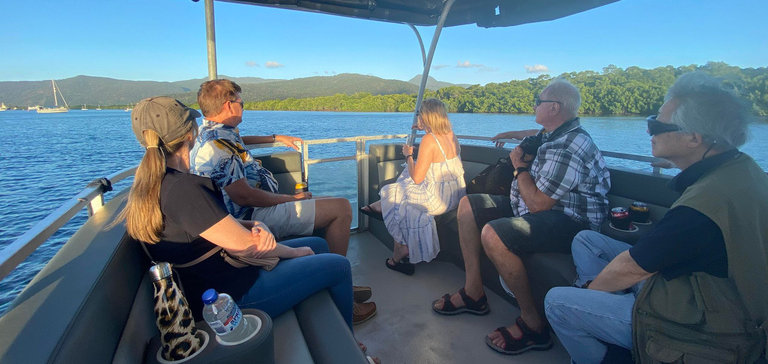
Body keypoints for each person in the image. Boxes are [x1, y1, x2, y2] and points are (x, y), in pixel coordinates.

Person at [545, 72, 768, 364]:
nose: (649, 132)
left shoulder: (703, 206)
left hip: (704, 324)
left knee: (557, 302)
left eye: (656, 124)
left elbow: (632, 268)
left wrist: (590, 294)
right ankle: (606, 322)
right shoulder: (742, 169)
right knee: (586, 240)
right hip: (697, 283)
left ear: (693, 138)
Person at [114, 97, 360, 330]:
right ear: (190, 133)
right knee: (338, 266)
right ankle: (348, 346)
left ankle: (330, 317)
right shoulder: (182, 189)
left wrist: (253, 223)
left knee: (317, 243)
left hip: (210, 283)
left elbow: (208, 227)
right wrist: (294, 252)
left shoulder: (155, 183)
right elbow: (248, 247)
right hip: (230, 300)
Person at [431, 78, 611, 356]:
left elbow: (539, 204)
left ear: (553, 108)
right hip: (532, 206)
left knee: (493, 233)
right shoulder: (555, 132)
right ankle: (474, 293)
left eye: (538, 101)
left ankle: (533, 326)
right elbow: (534, 134)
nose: (534, 105)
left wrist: (519, 168)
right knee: (468, 205)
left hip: (571, 222)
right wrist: (510, 133)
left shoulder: (570, 146)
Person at [190, 79, 376, 324]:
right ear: (229, 105)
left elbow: (240, 141)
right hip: (251, 217)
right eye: (241, 102)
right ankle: (339, 292)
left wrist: (275, 137)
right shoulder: (218, 147)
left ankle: (339, 282)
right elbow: (245, 196)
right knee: (341, 208)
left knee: (332, 201)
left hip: (255, 209)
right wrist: (291, 198)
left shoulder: (214, 133)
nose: (243, 107)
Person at [359, 98, 466, 275]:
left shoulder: (429, 140)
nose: (419, 117)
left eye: (421, 114)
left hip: (437, 201)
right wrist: (425, 128)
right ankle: (381, 212)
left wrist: (408, 155)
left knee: (389, 193)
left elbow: (417, 178)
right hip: (455, 195)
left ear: (427, 116)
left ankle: (399, 245)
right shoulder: (450, 134)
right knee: (403, 186)